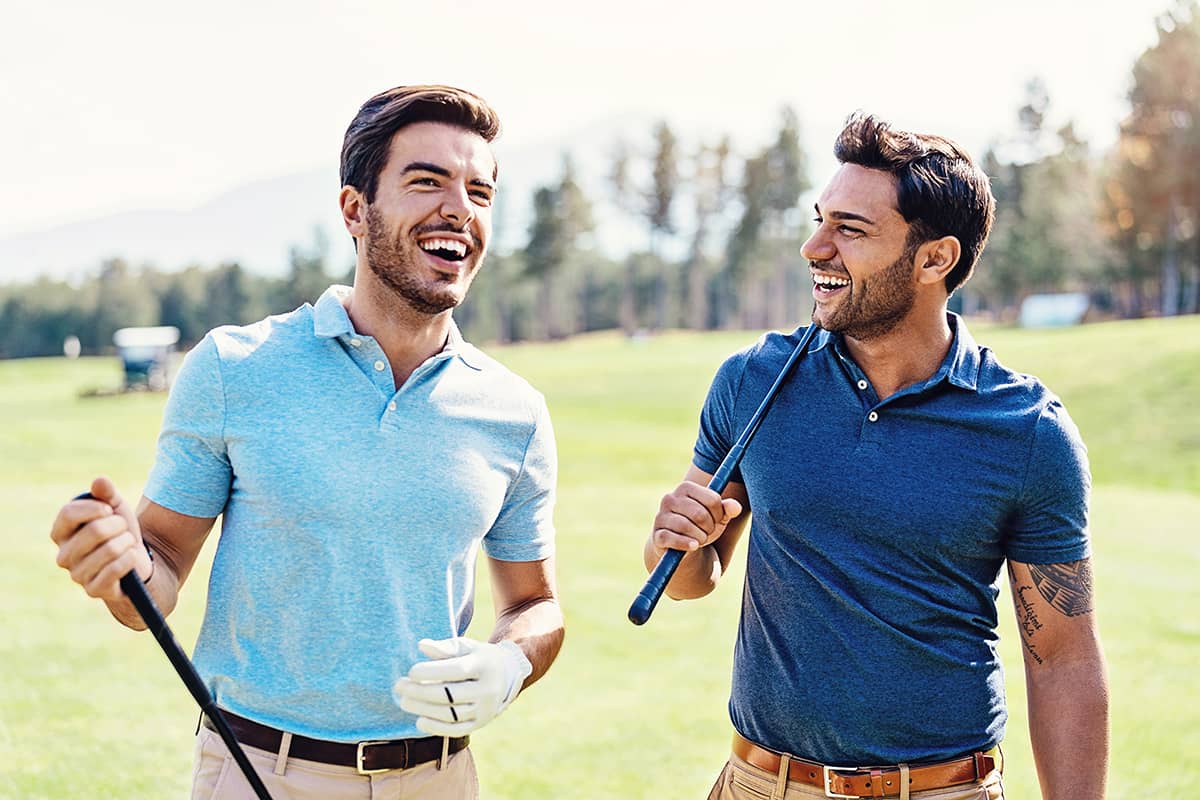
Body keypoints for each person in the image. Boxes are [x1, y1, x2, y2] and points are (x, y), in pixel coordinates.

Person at [50, 85, 564, 800]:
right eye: (427, 181)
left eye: (480, 191)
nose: (459, 208)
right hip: (260, 770)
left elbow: (534, 603)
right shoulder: (234, 368)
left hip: (440, 780)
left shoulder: (516, 411)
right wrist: (122, 566)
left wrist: (510, 663)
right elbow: (157, 571)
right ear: (355, 210)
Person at [644, 112, 1108, 800]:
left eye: (850, 230)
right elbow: (690, 579)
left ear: (934, 259)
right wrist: (672, 545)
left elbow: (1063, 661)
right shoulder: (753, 381)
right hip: (759, 784)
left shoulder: (1027, 430)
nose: (813, 247)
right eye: (820, 219)